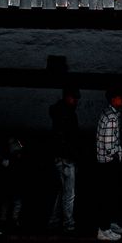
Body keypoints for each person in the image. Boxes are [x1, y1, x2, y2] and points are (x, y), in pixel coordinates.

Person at [48, 87, 80, 235]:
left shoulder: (57, 113)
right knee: (69, 193)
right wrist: (72, 155)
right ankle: (69, 224)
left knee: (61, 192)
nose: (76, 101)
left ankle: (54, 221)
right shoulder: (69, 114)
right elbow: (70, 139)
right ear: (68, 97)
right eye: (74, 98)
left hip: (58, 157)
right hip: (67, 158)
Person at [95, 88, 122, 242]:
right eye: (120, 97)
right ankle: (104, 229)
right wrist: (116, 154)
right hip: (108, 162)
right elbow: (109, 144)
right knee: (108, 196)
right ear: (114, 99)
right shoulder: (112, 117)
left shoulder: (106, 113)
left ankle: (107, 225)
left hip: (103, 161)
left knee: (107, 195)